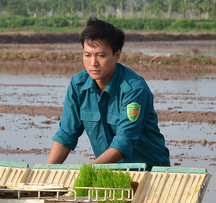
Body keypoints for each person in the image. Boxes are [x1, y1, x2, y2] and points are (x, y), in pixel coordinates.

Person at [47, 17, 170, 170]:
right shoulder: (77, 85)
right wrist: (45, 172)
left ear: (117, 55)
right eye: (87, 55)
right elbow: (66, 134)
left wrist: (87, 172)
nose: (93, 63)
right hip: (108, 171)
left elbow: (123, 142)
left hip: (150, 172)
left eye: (101, 55)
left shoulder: (135, 90)